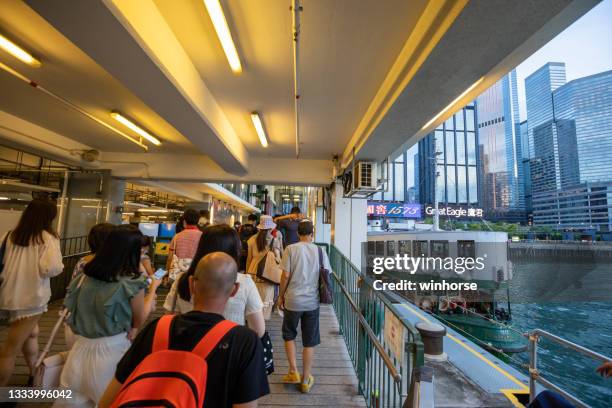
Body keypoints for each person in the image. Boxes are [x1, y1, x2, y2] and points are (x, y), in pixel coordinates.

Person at [99, 252, 270, 408]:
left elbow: (111, 397)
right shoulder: (244, 341)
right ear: (234, 290)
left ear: (191, 284)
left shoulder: (157, 328)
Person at [57, 225, 161, 406]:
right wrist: (153, 290)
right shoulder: (131, 282)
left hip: (79, 349)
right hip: (111, 351)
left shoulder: (85, 276)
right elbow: (139, 318)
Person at [0, 199, 64, 386]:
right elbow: (51, 268)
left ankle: (33, 374)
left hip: (9, 294)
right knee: (10, 348)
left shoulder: (9, 236)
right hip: (31, 298)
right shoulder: (47, 238)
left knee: (31, 334)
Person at [164, 224, 265, 337]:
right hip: (230, 349)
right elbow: (258, 330)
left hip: (189, 349)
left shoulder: (183, 279)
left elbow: (171, 319)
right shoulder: (244, 283)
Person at [278, 220, 330, 393]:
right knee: (309, 341)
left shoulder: (290, 249)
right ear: (312, 233)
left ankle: (293, 371)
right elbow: (326, 273)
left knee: (289, 334)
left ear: (298, 233)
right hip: (312, 302)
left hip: (293, 300)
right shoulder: (320, 250)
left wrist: (280, 296)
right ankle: (306, 379)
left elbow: (285, 275)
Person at [246, 215, 282, 320]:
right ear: (270, 227)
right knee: (265, 302)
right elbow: (278, 259)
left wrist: (247, 273)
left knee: (253, 301)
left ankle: (253, 323)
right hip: (267, 275)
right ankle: (262, 327)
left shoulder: (251, 240)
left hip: (253, 273)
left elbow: (249, 258)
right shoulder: (274, 240)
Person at [166, 208, 202, 280]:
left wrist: (167, 272)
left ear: (184, 221)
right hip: (195, 274)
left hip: (178, 276)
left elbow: (170, 258)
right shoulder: (203, 236)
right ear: (198, 221)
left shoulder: (176, 237)